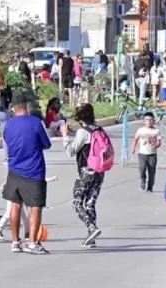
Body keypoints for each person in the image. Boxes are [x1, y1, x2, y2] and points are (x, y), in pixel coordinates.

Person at [2, 94, 52, 254]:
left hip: (14, 170)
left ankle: (15, 242)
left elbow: (8, 142)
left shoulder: (8, 125)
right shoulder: (35, 123)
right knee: (35, 207)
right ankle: (32, 242)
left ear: (13, 108)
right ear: (27, 106)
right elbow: (46, 144)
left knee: (15, 206)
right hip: (34, 171)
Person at [62, 103, 110, 248]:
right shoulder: (99, 129)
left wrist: (65, 136)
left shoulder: (82, 132)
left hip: (85, 172)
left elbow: (71, 151)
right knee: (90, 203)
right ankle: (92, 238)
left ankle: (92, 228)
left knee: (77, 203)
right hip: (99, 172)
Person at [0, 172, 57, 242]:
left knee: (25, 215)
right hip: (14, 192)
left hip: (20, 192)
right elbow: (35, 180)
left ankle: (27, 234)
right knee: (9, 213)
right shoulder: (26, 169)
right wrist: (49, 179)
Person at [131, 112, 161, 192]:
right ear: (144, 121)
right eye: (147, 120)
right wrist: (133, 148)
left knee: (152, 171)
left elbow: (159, 142)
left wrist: (156, 145)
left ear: (153, 121)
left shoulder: (156, 131)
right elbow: (136, 139)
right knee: (142, 168)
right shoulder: (140, 130)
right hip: (142, 154)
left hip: (152, 154)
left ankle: (150, 187)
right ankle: (143, 180)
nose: (149, 122)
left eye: (151, 120)